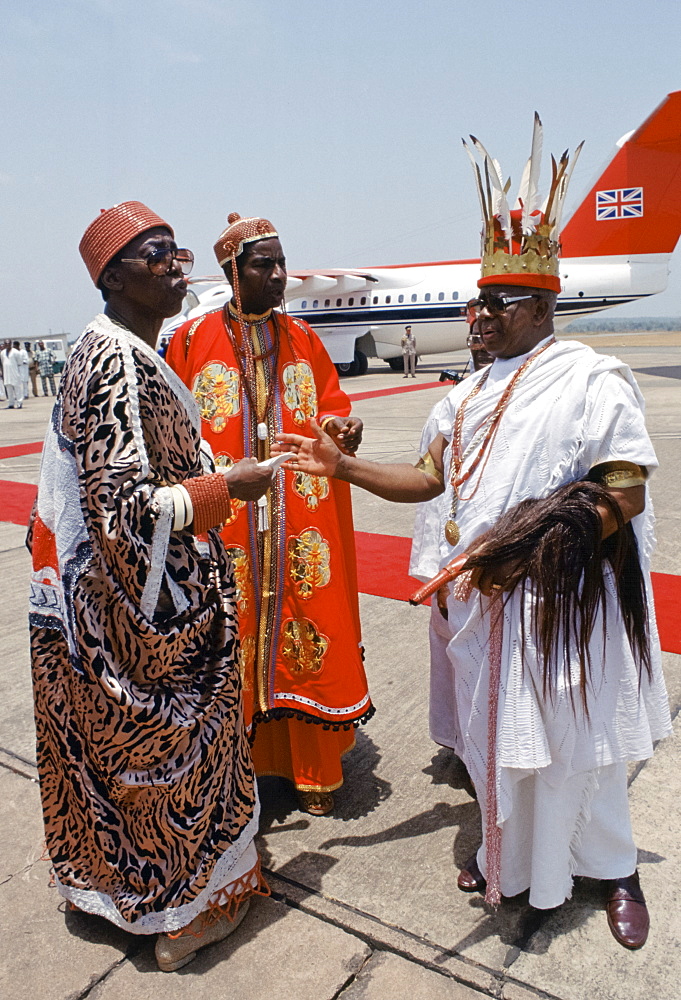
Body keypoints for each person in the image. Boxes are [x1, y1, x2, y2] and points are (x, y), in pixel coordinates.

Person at [275, 119, 671, 949]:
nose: (473, 313)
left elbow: (623, 495)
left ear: (534, 306)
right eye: (475, 300)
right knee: (504, 751)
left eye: (490, 302)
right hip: (487, 608)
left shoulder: (592, 378)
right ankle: (525, 868)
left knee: (578, 741)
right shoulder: (459, 397)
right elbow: (427, 483)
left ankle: (614, 868)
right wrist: (340, 469)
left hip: (563, 599)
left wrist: (526, 549)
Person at [28, 201, 273, 972]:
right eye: (155, 254)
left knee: (111, 773)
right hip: (139, 616)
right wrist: (227, 487)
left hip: (104, 608)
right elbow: (126, 511)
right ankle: (192, 910)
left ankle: (117, 898)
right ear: (112, 276)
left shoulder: (123, 350)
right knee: (171, 765)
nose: (178, 264)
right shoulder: (114, 363)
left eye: (177, 249)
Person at [167, 213, 372, 817]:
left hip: (298, 521)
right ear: (234, 271)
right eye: (265, 264)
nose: (280, 275)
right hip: (226, 518)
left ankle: (311, 769)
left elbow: (330, 405)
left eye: (282, 262)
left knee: (305, 626)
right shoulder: (188, 342)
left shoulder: (305, 339)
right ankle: (237, 770)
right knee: (229, 636)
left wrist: (340, 426)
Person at [1, 339, 25, 408]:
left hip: (15, 373)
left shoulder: (16, 352)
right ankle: (11, 403)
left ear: (11, 344)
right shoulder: (2, 353)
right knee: (9, 389)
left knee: (17, 388)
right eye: (6, 343)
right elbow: (2, 363)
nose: (7, 345)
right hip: (6, 373)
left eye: (8, 343)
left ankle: (19, 402)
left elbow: (20, 362)